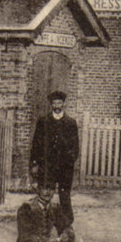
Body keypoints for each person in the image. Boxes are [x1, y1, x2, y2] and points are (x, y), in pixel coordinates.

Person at [29, 91, 80, 227]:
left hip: (64, 168)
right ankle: (44, 223)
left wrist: (69, 162)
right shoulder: (43, 121)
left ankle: (67, 224)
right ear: (51, 105)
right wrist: (35, 163)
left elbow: (75, 147)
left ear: (64, 104)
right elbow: (36, 144)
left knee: (64, 196)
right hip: (48, 167)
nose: (57, 105)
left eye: (59, 102)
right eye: (54, 103)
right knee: (45, 194)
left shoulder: (71, 123)